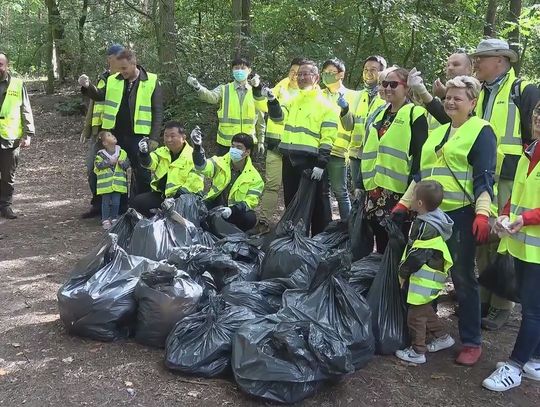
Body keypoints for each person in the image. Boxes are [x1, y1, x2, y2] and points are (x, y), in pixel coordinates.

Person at [410, 39, 540, 330]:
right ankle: (481, 298)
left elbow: (535, 132)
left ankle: (502, 304)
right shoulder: (477, 94)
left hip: (511, 175)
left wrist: (528, 168)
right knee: (482, 243)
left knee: (503, 239)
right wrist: (431, 99)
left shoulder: (522, 90)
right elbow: (458, 125)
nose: (477, 61)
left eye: (483, 57)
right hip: (481, 175)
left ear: (501, 61)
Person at [394, 75, 497, 366]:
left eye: (458, 98)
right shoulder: (438, 132)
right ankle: (430, 332)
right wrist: (403, 204)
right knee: (426, 274)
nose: (450, 102)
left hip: (460, 215)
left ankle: (472, 341)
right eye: (448, 97)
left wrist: (482, 213)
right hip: (429, 216)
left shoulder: (481, 131)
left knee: (463, 277)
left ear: (473, 102)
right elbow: (422, 176)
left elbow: (484, 178)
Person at [482, 101, 540, 391]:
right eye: (538, 112)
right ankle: (534, 360)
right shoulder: (529, 151)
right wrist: (504, 214)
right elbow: (516, 194)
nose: (539, 118)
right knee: (534, 306)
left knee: (532, 310)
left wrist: (525, 219)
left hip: (535, 247)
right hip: (524, 244)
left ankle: (515, 366)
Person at [78, 48, 163, 201]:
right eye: (119, 69)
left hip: (140, 136)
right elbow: (99, 95)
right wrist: (87, 85)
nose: (121, 72)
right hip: (116, 135)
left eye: (124, 68)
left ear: (134, 63)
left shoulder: (151, 80)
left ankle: (140, 206)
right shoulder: (113, 80)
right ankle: (118, 207)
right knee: (115, 172)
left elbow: (158, 111)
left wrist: (154, 138)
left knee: (142, 173)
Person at [266, 60, 338, 235]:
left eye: (307, 74)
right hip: (290, 159)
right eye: (300, 74)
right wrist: (272, 101)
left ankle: (318, 243)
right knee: (292, 202)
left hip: (312, 162)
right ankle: (293, 242)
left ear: (316, 77)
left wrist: (322, 163)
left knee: (318, 206)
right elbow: (278, 118)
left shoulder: (325, 105)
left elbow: (328, 137)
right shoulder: (292, 100)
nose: (303, 77)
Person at [361, 67, 428, 253]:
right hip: (374, 190)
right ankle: (381, 279)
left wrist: (411, 192)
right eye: (385, 84)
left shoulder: (416, 114)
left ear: (407, 88)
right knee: (380, 243)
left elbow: (421, 156)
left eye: (393, 84)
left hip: (398, 193)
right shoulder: (380, 113)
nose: (388, 88)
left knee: (397, 244)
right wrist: (360, 183)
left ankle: (396, 281)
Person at [395, 180, 455, 364]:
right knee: (426, 311)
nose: (410, 199)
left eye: (412, 196)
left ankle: (417, 351)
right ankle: (443, 338)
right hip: (433, 277)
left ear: (419, 203)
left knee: (415, 317)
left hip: (422, 278)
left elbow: (416, 255)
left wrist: (402, 274)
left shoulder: (423, 227)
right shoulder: (438, 220)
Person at [250, 57, 306, 235]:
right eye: (292, 71)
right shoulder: (280, 87)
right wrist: (257, 87)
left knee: (295, 189)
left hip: (297, 148)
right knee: (272, 185)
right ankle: (264, 222)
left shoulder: (311, 93)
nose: (295, 76)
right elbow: (261, 104)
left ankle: (293, 224)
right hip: (275, 146)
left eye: (299, 73)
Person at [186, 57, 265, 156]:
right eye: (236, 68)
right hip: (226, 144)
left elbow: (261, 118)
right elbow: (211, 97)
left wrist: (261, 140)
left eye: (243, 68)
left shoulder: (256, 92)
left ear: (249, 70)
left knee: (246, 171)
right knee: (223, 171)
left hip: (247, 143)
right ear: (232, 70)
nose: (239, 71)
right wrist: (198, 87)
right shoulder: (224, 89)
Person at [80, 44, 124, 219]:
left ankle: (120, 206)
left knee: (121, 169)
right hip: (100, 132)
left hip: (118, 131)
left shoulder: (126, 77)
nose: (114, 61)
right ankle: (98, 204)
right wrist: (87, 128)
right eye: (113, 58)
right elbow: (95, 102)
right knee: (93, 168)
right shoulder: (103, 77)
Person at [191, 129, 264, 232]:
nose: (234, 150)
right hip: (214, 205)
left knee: (250, 218)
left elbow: (250, 202)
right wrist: (197, 148)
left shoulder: (255, 178)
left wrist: (232, 210)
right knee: (195, 208)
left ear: (247, 152)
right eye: (233, 146)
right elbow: (202, 167)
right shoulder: (219, 162)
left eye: (239, 147)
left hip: (233, 212)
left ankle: (232, 232)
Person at [131, 121, 204, 217]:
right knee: (138, 202)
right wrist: (144, 153)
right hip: (162, 195)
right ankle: (150, 226)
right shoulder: (162, 151)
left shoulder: (192, 155)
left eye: (173, 136)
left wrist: (175, 198)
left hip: (185, 198)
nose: (168, 139)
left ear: (183, 138)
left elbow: (195, 182)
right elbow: (149, 164)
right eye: (166, 136)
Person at [341, 55, 388, 197]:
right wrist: (344, 110)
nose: (368, 73)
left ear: (382, 72)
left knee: (374, 193)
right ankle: (356, 219)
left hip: (377, 154)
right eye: (366, 69)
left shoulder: (387, 95)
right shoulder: (356, 96)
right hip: (356, 153)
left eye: (373, 69)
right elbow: (349, 126)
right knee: (357, 193)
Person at [0, 52, 35, 219]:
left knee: (8, 175)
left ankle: (5, 205)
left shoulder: (17, 84)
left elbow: (26, 109)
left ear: (7, 66)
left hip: (11, 137)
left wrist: (28, 133)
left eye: (0, 64)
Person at [320, 57, 356, 220]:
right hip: (320, 150)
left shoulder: (352, 96)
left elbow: (351, 125)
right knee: (322, 192)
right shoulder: (319, 95)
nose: (327, 76)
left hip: (339, 151)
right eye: (325, 73)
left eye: (331, 73)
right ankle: (326, 227)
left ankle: (347, 230)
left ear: (341, 74)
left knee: (340, 192)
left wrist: (345, 108)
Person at [93, 131, 129, 229]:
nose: (113, 136)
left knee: (116, 202)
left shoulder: (122, 152)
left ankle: (114, 218)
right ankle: (105, 219)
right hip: (105, 185)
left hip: (118, 184)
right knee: (105, 202)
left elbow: (127, 165)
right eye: (109, 135)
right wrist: (109, 162)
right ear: (105, 143)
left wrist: (122, 163)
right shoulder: (100, 155)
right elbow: (98, 165)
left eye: (112, 134)